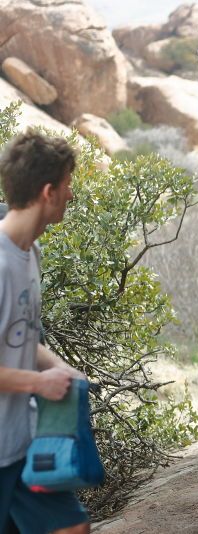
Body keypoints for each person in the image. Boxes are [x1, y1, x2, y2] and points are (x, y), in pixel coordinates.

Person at [0, 131, 90, 534]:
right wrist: (39, 383)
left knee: (71, 529)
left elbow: (20, 338)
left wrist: (62, 368)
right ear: (49, 191)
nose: (71, 195)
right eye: (68, 186)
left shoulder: (30, 252)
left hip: (21, 444)